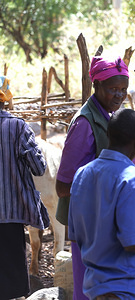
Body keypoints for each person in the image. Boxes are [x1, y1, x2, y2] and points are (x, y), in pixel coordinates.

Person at [55, 56, 135, 300]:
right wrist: (109, 180)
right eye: (112, 89)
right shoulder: (85, 123)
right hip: (92, 225)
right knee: (92, 289)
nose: (119, 95)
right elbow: (64, 186)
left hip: (111, 219)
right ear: (96, 86)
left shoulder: (110, 116)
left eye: (123, 90)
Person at [68, 109, 135, 299]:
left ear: (108, 135)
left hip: (94, 287)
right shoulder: (133, 180)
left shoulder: (82, 174)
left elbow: (74, 234)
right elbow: (133, 243)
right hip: (126, 288)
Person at [0, 76, 50, 299]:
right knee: (12, 281)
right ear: (6, 99)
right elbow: (39, 168)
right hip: (11, 214)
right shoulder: (18, 128)